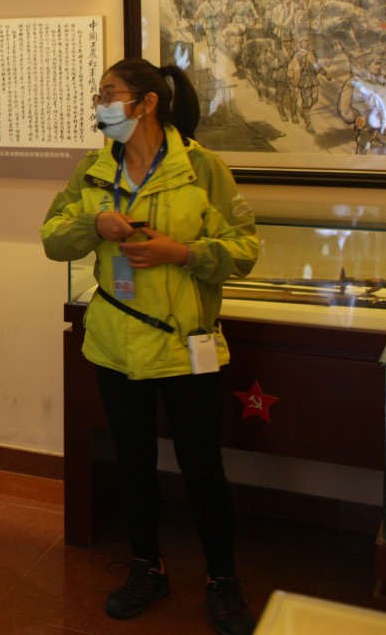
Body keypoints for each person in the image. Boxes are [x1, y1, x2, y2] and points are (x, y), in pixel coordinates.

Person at [40, 57, 260, 635]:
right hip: (116, 346)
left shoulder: (201, 168)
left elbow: (244, 249)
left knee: (202, 467)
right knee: (132, 463)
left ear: (147, 102)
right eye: (99, 95)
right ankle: (147, 567)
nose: (101, 104)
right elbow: (52, 238)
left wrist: (180, 253)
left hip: (186, 346)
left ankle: (223, 580)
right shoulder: (94, 170)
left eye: (110, 93)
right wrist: (94, 227)